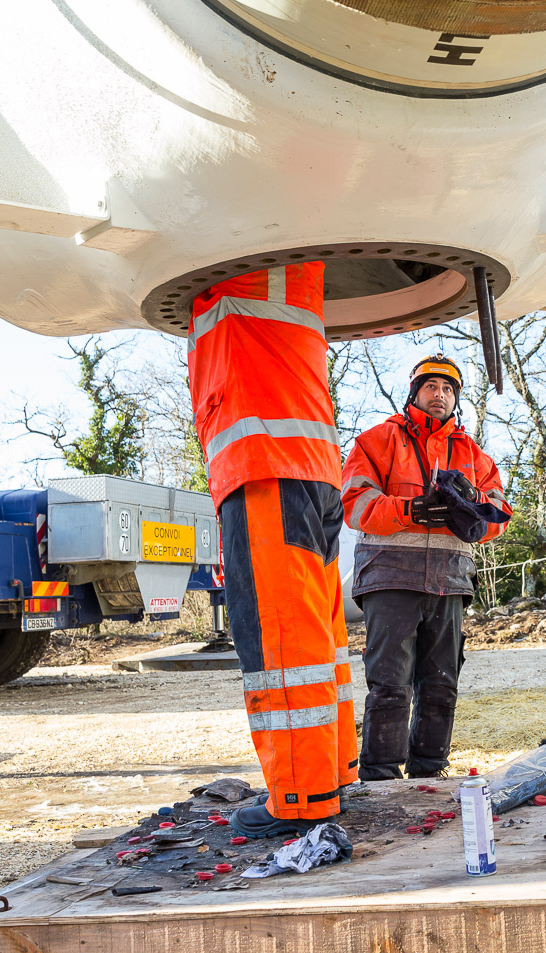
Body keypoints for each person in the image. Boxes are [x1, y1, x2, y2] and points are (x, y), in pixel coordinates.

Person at [188, 263, 356, 838]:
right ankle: (330, 773)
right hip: (310, 472)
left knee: (282, 641)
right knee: (317, 635)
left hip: (264, 469)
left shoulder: (237, 277)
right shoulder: (298, 286)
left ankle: (301, 795)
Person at [341, 354, 512, 781]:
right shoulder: (375, 441)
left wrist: (471, 513)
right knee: (390, 684)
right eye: (432, 387)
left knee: (441, 684)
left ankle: (429, 774)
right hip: (390, 576)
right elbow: (355, 505)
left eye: (449, 389)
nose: (441, 395)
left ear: (457, 399)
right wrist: (411, 509)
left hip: (450, 582)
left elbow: (500, 512)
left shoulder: (474, 454)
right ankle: (380, 776)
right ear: (415, 393)